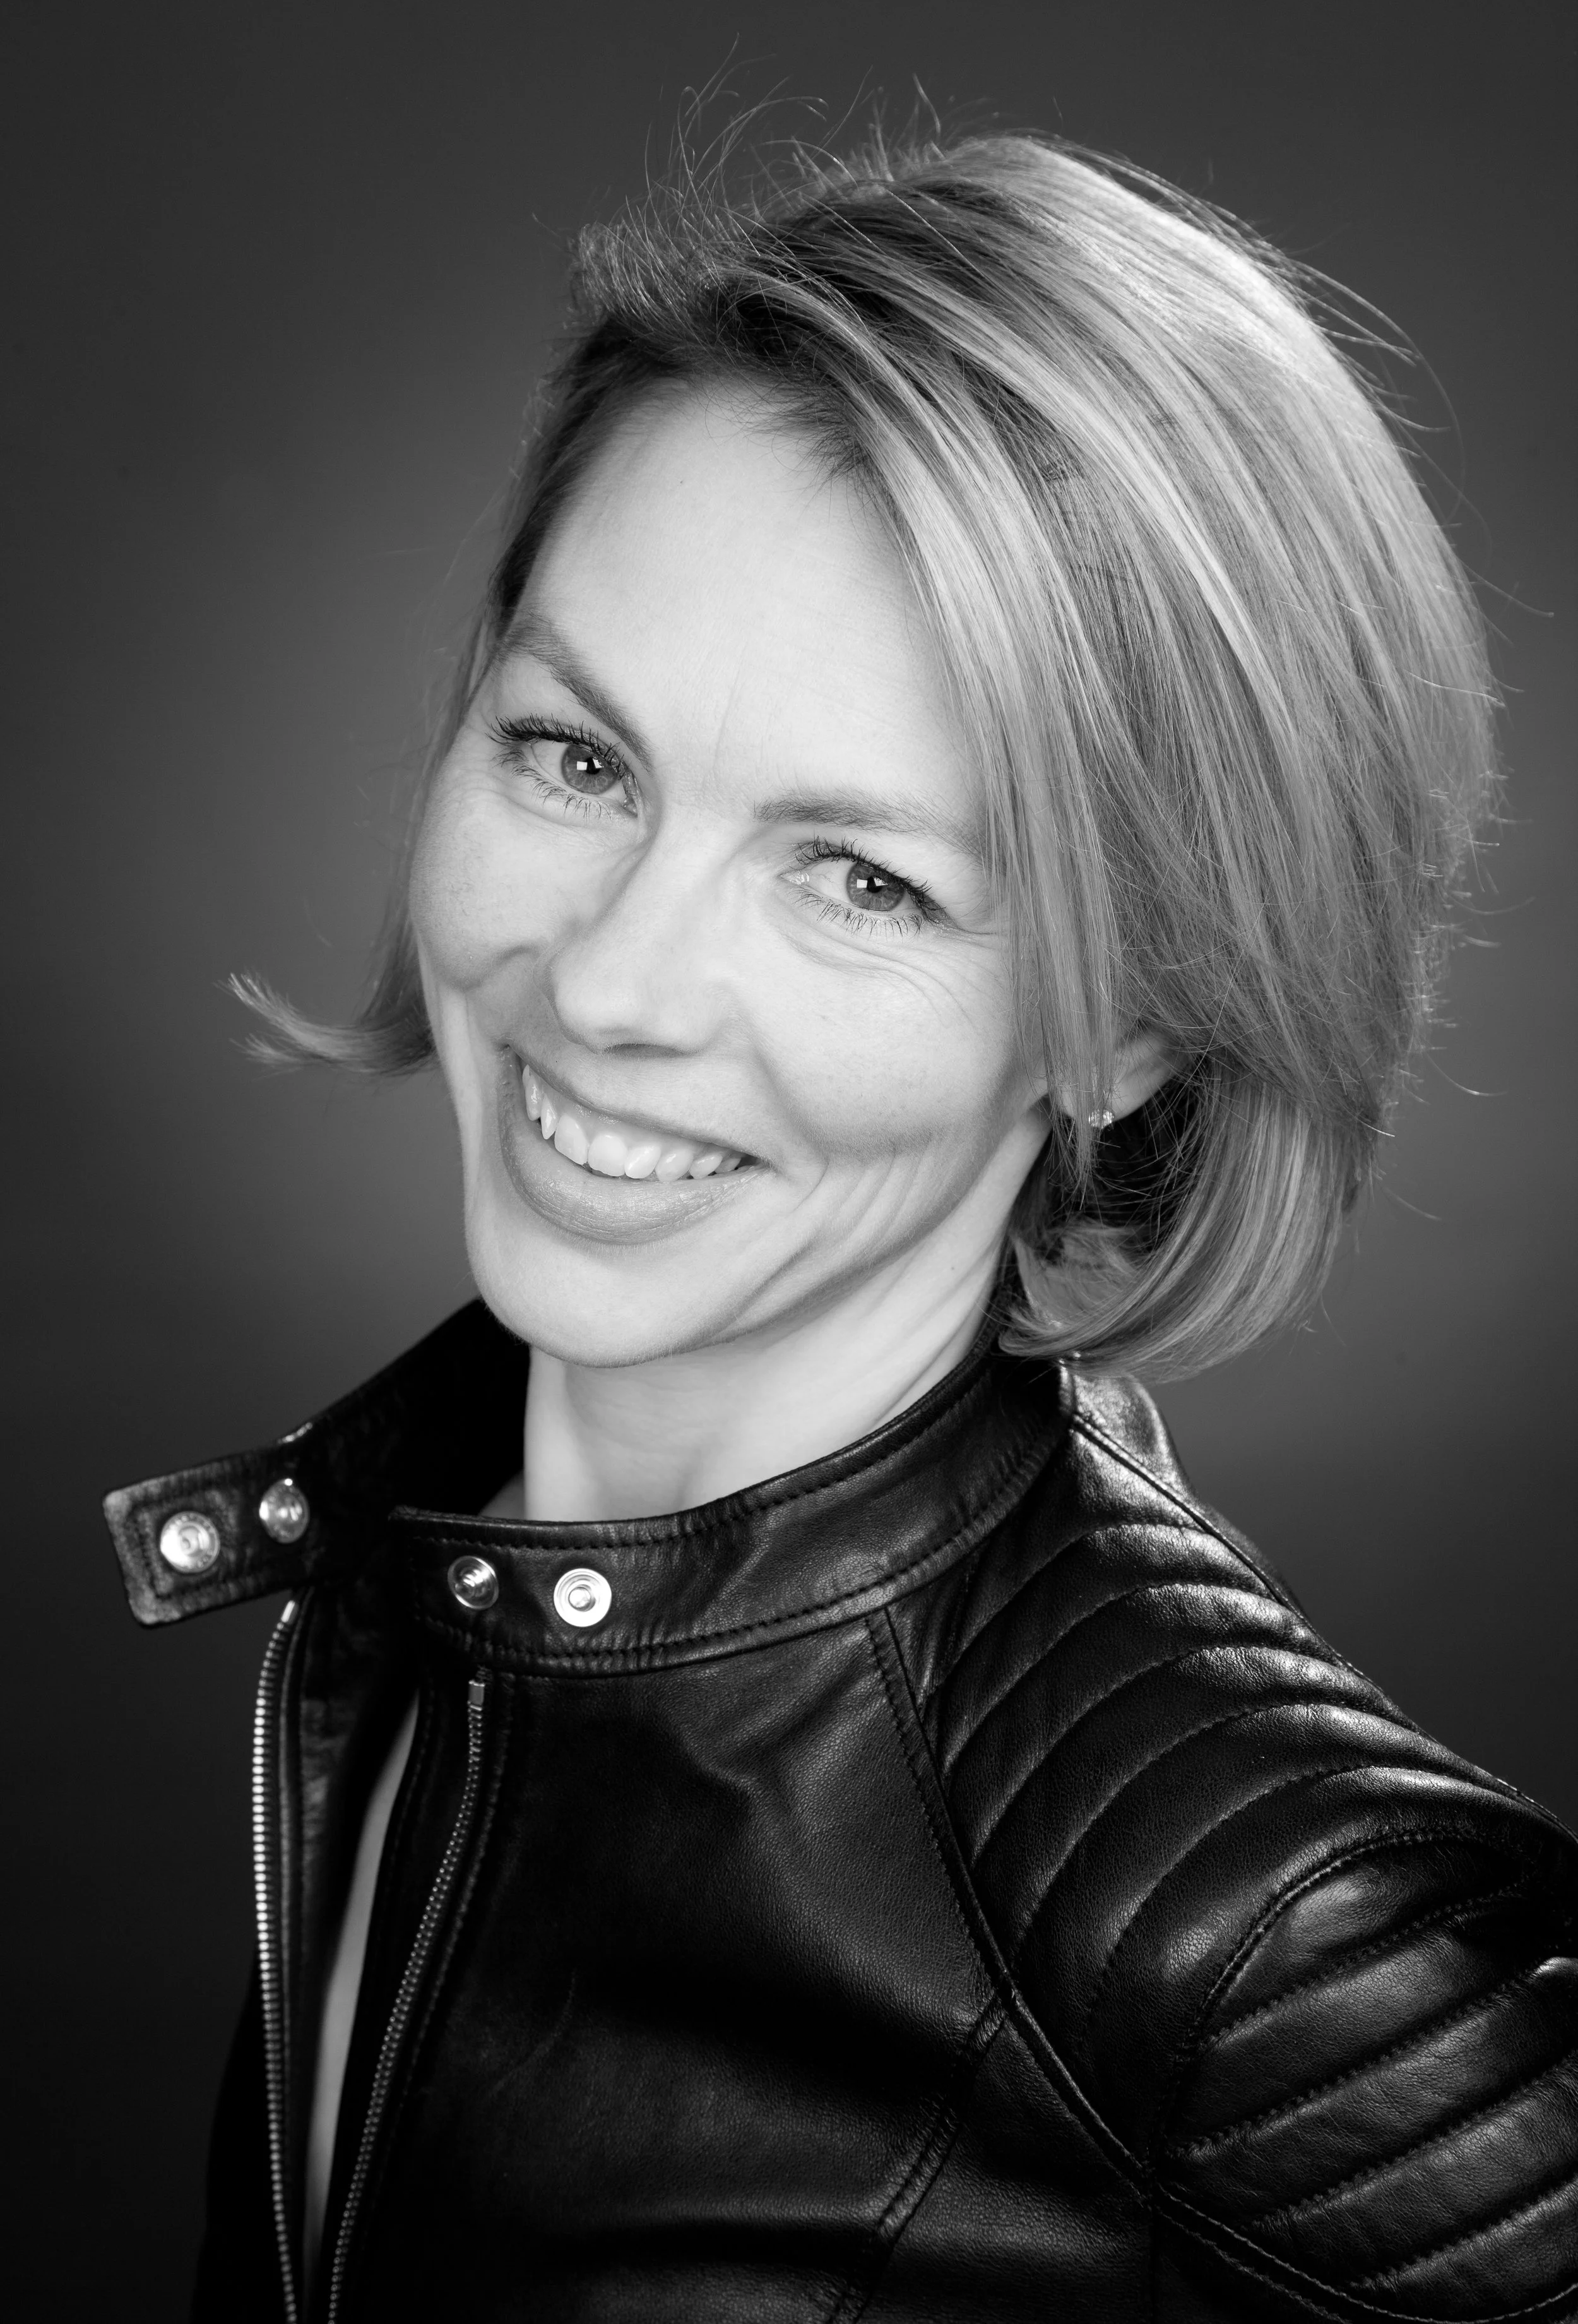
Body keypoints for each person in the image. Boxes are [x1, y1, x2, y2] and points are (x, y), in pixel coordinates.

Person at [104, 128, 1578, 2323]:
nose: (607, 986)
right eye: (572, 758)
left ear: (1133, 1028)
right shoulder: (411, 1576)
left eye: (862, 878)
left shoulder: (1275, 1933)